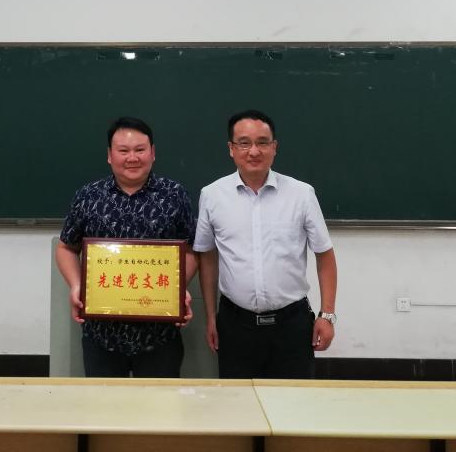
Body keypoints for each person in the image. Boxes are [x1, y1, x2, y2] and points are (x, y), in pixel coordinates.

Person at [194, 109, 337, 379]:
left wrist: (327, 315)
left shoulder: (301, 194)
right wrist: (211, 317)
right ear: (231, 149)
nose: (254, 151)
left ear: (274, 147)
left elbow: (325, 255)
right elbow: (207, 257)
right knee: (238, 402)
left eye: (262, 142)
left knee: (293, 401)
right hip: (235, 326)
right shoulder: (212, 196)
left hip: (292, 326)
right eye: (244, 143)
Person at [56, 116, 197, 377]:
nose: (132, 158)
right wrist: (76, 285)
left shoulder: (175, 195)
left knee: (159, 402)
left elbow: (190, 250)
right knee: (105, 402)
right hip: (102, 334)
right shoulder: (88, 196)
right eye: (123, 151)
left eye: (140, 149)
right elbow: (66, 248)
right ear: (110, 155)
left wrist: (177, 289)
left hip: (159, 334)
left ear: (152, 153)